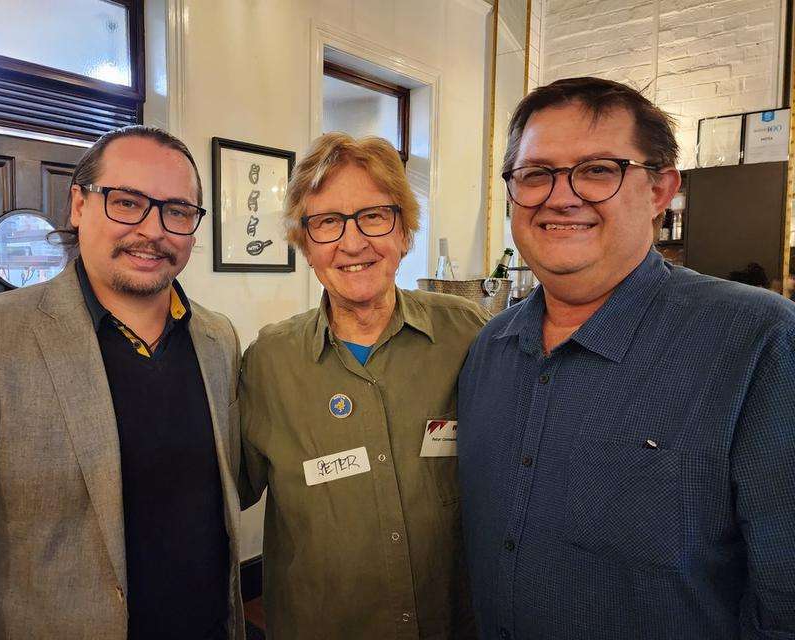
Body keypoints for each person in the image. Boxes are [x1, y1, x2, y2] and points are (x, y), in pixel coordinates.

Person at [0, 126, 244, 639]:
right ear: (79, 205)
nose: (153, 229)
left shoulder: (218, 340)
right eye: (127, 202)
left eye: (177, 211)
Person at [458, 76, 795, 639]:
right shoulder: (488, 350)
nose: (560, 196)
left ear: (661, 190)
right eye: (535, 174)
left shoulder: (757, 343)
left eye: (597, 170)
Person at [239, 132, 492, 639]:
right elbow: (224, 491)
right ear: (305, 245)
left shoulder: (468, 334)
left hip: (455, 622)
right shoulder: (269, 362)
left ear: (404, 231)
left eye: (374, 216)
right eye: (327, 222)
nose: (353, 243)